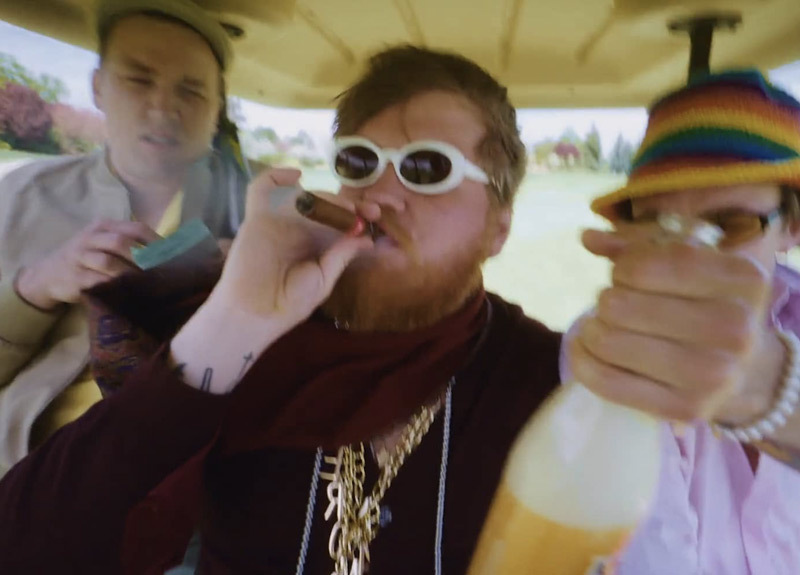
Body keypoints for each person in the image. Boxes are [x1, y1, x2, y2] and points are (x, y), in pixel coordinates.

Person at [0, 45, 563, 574]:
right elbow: (25, 544)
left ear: (499, 228)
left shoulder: (548, 381)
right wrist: (237, 316)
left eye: (425, 168)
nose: (378, 195)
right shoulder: (255, 344)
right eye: (360, 161)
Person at [565, 69, 800, 574]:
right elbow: (649, 547)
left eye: (729, 226)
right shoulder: (609, 341)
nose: (689, 255)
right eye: (655, 225)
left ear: (791, 227)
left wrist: (770, 389)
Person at [0, 0, 247, 475]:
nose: (164, 106)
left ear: (218, 111)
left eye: (192, 90)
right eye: (139, 79)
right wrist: (34, 290)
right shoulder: (19, 198)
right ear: (98, 87)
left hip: (191, 501)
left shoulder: (264, 210)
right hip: (21, 484)